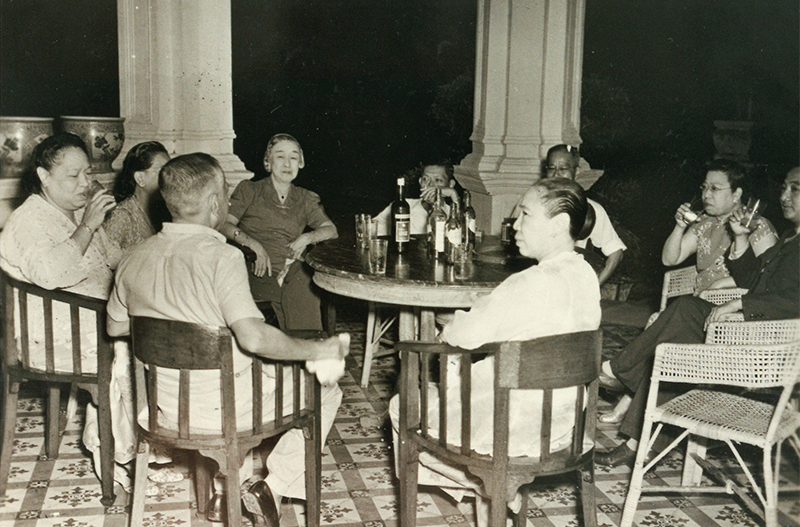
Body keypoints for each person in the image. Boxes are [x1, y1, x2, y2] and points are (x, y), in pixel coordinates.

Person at [106, 153, 348, 527]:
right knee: (327, 388)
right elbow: (253, 338)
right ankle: (274, 486)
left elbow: (116, 328)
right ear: (216, 202)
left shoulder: (133, 257)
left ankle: (223, 492)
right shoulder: (223, 257)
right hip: (226, 410)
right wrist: (319, 349)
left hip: (163, 407)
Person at [389, 178, 601, 524]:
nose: (514, 224)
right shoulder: (586, 274)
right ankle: (495, 491)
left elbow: (463, 336)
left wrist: (456, 319)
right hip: (563, 426)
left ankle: (493, 488)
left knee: (403, 406)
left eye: (526, 215)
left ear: (559, 224)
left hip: (511, 428)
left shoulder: (528, 282)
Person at [595, 167, 800, 468]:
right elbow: (755, 280)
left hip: (769, 344)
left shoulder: (777, 235)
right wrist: (741, 240)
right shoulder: (790, 238)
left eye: (794, 188)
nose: (783, 196)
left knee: (678, 346)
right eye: (784, 187)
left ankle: (622, 384)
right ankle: (634, 426)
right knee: (684, 314)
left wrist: (739, 304)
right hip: (746, 326)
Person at [0, 132, 134, 487]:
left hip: (87, 321)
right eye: (73, 176)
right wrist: (89, 225)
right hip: (52, 334)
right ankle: (114, 449)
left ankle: (144, 441)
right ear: (44, 177)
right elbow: (50, 274)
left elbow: (114, 260)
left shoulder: (73, 212)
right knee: (133, 340)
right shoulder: (29, 220)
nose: (85, 184)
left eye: (88, 174)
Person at [219, 133, 337, 331]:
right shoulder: (250, 190)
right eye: (280, 156)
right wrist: (253, 244)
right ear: (268, 161)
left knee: (304, 277)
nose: (287, 164)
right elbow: (224, 224)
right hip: (258, 269)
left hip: (293, 268)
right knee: (304, 289)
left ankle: (299, 349)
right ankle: (309, 350)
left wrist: (308, 237)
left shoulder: (305, 197)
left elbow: (331, 230)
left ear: (301, 162)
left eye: (293, 157)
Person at [662, 158, 777, 293]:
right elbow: (669, 260)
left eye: (714, 188)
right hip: (700, 301)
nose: (706, 195)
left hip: (735, 305)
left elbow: (768, 274)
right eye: (704, 187)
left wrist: (719, 285)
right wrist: (680, 227)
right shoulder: (704, 223)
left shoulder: (756, 225)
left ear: (736, 194)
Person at [543, 145, 626, 285]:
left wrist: (593, 288)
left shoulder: (590, 209)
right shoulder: (531, 204)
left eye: (563, 169)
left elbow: (616, 253)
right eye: (551, 168)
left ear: (576, 172)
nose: (556, 175)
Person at [103, 141, 171, 256]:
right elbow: (105, 262)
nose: (168, 178)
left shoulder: (165, 211)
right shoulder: (121, 216)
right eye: (162, 171)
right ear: (140, 178)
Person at [375, 161, 458, 235]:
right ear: (420, 182)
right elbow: (372, 228)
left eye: (438, 180)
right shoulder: (404, 207)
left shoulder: (451, 213)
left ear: (450, 185)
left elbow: (464, 236)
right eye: (425, 179)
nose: (430, 185)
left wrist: (453, 194)